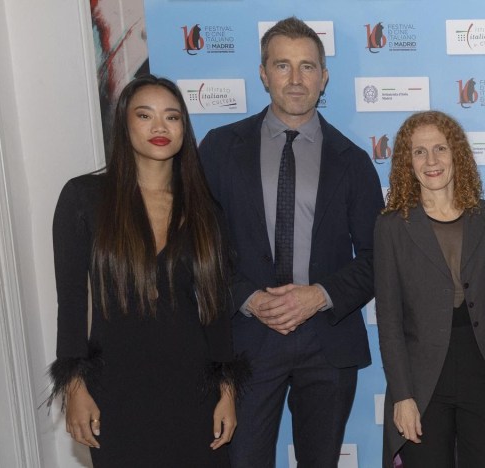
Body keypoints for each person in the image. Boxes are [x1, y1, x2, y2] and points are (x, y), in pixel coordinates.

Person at [198, 17, 384, 467]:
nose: (296, 79)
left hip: (327, 340)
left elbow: (378, 257)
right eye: (283, 65)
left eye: (307, 66)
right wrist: (248, 298)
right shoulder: (220, 149)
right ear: (264, 74)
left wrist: (318, 296)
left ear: (324, 77)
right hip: (244, 340)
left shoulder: (353, 161)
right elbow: (199, 248)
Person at [49, 75, 245, 467]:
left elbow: (216, 310)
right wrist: (74, 387)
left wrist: (226, 391)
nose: (160, 126)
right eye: (145, 115)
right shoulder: (84, 199)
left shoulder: (206, 212)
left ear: (183, 129)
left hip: (193, 392)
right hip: (115, 391)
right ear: (124, 123)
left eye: (172, 117)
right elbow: (71, 302)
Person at [374, 110, 485, 468]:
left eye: (440, 149)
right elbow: (389, 321)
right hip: (423, 380)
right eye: (419, 151)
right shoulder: (391, 227)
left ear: (456, 154)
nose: (431, 161)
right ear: (407, 162)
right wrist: (402, 395)